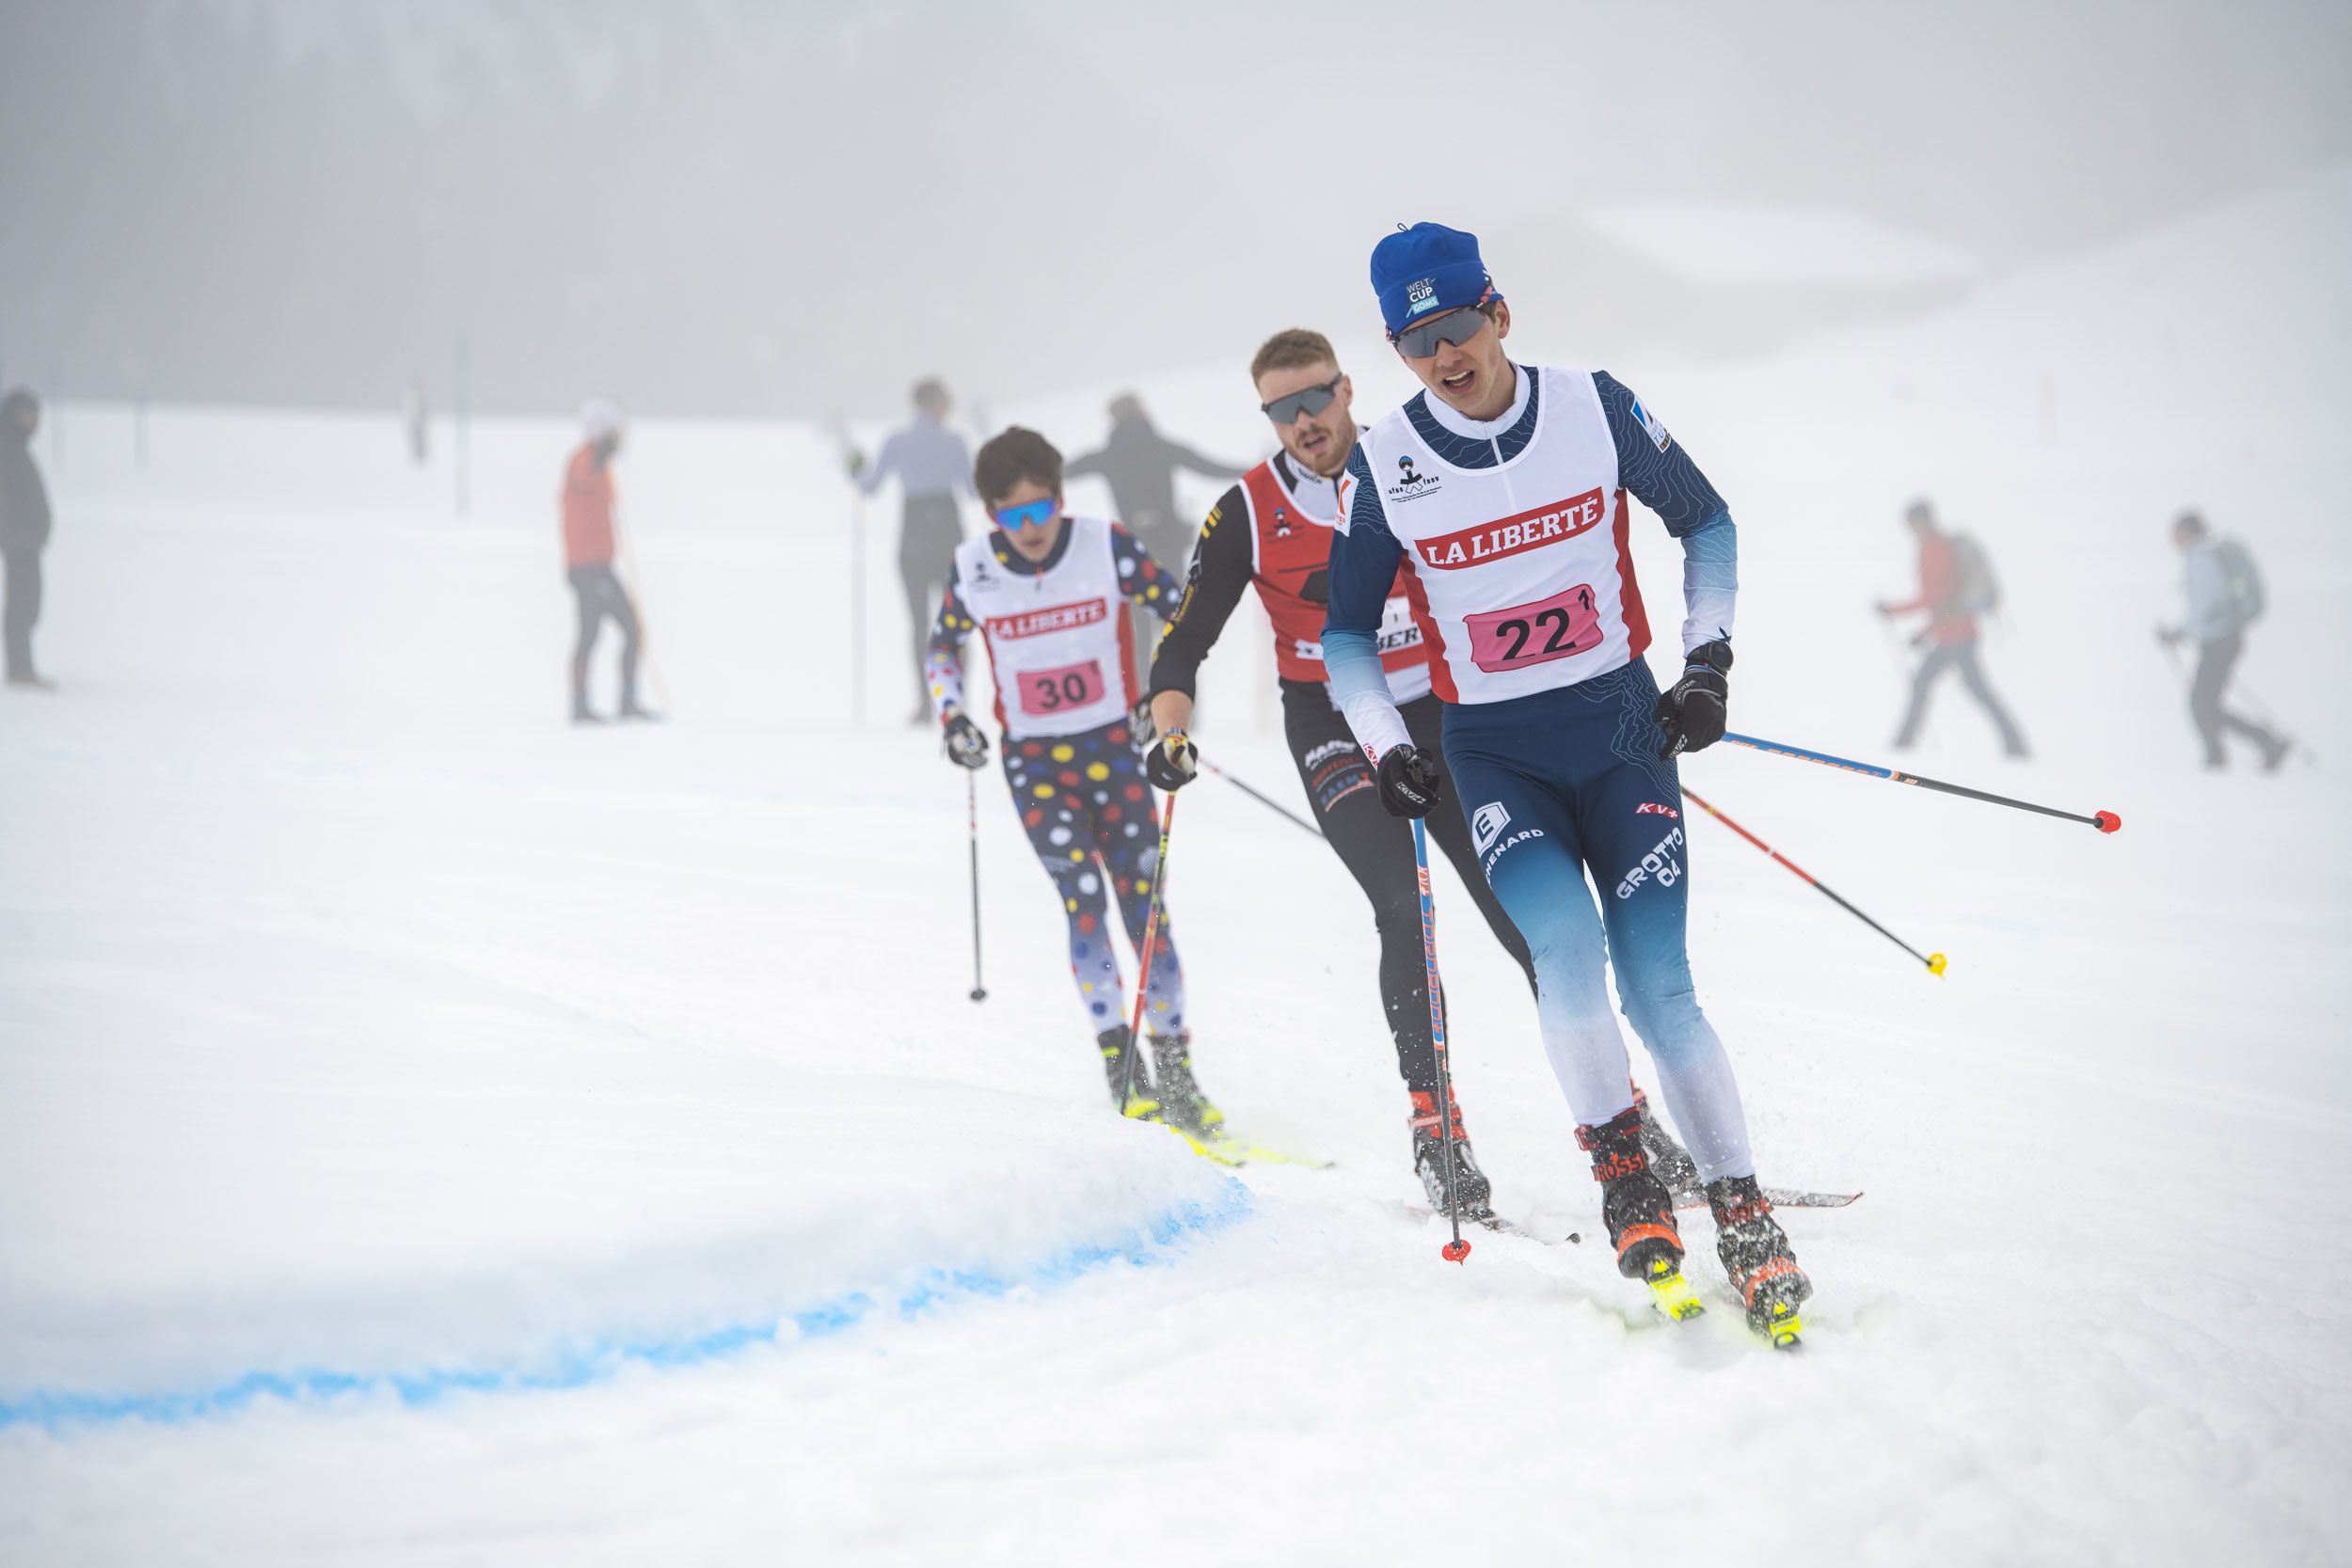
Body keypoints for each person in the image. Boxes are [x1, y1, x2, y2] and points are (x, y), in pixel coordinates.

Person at [1317, 221, 1811, 1338]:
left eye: (1456, 327)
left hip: (1621, 734)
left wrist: (1706, 663)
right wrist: (1386, 744)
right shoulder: (1385, 463)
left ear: (1497, 312)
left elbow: (1706, 521)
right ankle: (1626, 1176)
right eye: (1415, 342)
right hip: (1495, 757)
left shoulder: (1593, 406)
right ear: (1396, 351)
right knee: (1566, 953)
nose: (1443, 356)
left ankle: (1742, 1208)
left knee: (1660, 987)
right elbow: (1344, 634)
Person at [1141, 327, 1544, 1219]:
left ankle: (1623, 1116)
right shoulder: (1248, 510)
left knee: (1525, 901)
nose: (1304, 421)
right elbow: (1183, 642)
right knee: (1403, 903)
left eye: (1315, 397)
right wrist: (1168, 730)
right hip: (1334, 727)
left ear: (1347, 388)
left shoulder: (1415, 459)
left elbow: (1504, 571)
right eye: (1281, 409)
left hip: (1443, 712)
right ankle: (1436, 1130)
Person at [927, 427, 1222, 1139]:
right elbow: (943, 648)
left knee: (1145, 907)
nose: (1031, 529)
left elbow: (1178, 610)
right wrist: (954, 717)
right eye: (1013, 515)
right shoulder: (974, 567)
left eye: (1042, 510)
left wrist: (1161, 696)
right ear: (991, 514)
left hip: (1114, 750)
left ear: (1061, 498)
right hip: (1035, 763)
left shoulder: (1103, 544)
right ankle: (1122, 1067)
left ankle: (1177, 1073)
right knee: (1082, 897)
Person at [1066, 394, 1247, 658]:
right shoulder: (1163, 447)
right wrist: (1256, 468)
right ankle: (1180, 679)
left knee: (1139, 628)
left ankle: (1140, 682)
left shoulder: (1107, 456)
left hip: (1132, 549)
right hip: (1169, 543)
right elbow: (1211, 467)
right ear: (1142, 412)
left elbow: (1061, 473)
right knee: (1175, 620)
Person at [852, 378, 972, 723]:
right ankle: (955, 697)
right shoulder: (954, 442)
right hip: (948, 531)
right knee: (956, 622)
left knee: (919, 624)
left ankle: (924, 701)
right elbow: (974, 490)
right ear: (940, 405)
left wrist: (854, 466)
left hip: (914, 533)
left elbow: (869, 486)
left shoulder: (897, 441)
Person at [1875, 500, 2028, 757]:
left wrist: (1892, 611)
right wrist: (1925, 633)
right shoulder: (1936, 547)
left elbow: (1934, 599)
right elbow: (1943, 603)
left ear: (1922, 522)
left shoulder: (1935, 549)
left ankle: (2015, 744)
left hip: (1957, 637)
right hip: (1951, 635)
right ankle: (1903, 743)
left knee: (1969, 688)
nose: (1911, 531)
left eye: (1912, 524)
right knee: (1929, 684)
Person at [2158, 509, 2289, 771]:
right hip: (2224, 639)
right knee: (2205, 704)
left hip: (2220, 641)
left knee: (2201, 704)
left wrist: (2179, 631)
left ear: (2187, 532)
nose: (2173, 540)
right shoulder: (2205, 555)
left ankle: (2230, 754)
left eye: (2176, 533)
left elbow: (2209, 604)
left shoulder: (2201, 559)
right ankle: (2239, 749)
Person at [561, 398, 655, 724]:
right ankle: (580, 704)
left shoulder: (598, 464)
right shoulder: (584, 461)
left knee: (631, 630)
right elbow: (583, 475)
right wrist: (599, 456)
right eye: (614, 433)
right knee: (591, 634)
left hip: (600, 565)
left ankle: (626, 700)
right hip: (587, 568)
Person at [1, 388, 54, 690]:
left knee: (27, 603)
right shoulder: (8, 449)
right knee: (22, 605)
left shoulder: (14, 447)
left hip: (25, 540)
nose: (34, 421)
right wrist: (18, 530)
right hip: (18, 541)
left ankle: (22, 668)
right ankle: (20, 670)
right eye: (28, 414)